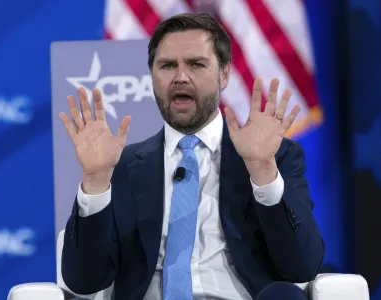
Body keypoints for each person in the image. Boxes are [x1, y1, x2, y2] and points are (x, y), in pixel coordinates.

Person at [59, 12, 324, 300]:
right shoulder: (120, 166)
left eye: (197, 64)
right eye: (167, 66)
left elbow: (303, 266)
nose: (180, 77)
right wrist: (96, 182)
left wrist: (262, 171)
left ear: (224, 75)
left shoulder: (275, 157)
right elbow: (83, 281)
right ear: (152, 77)